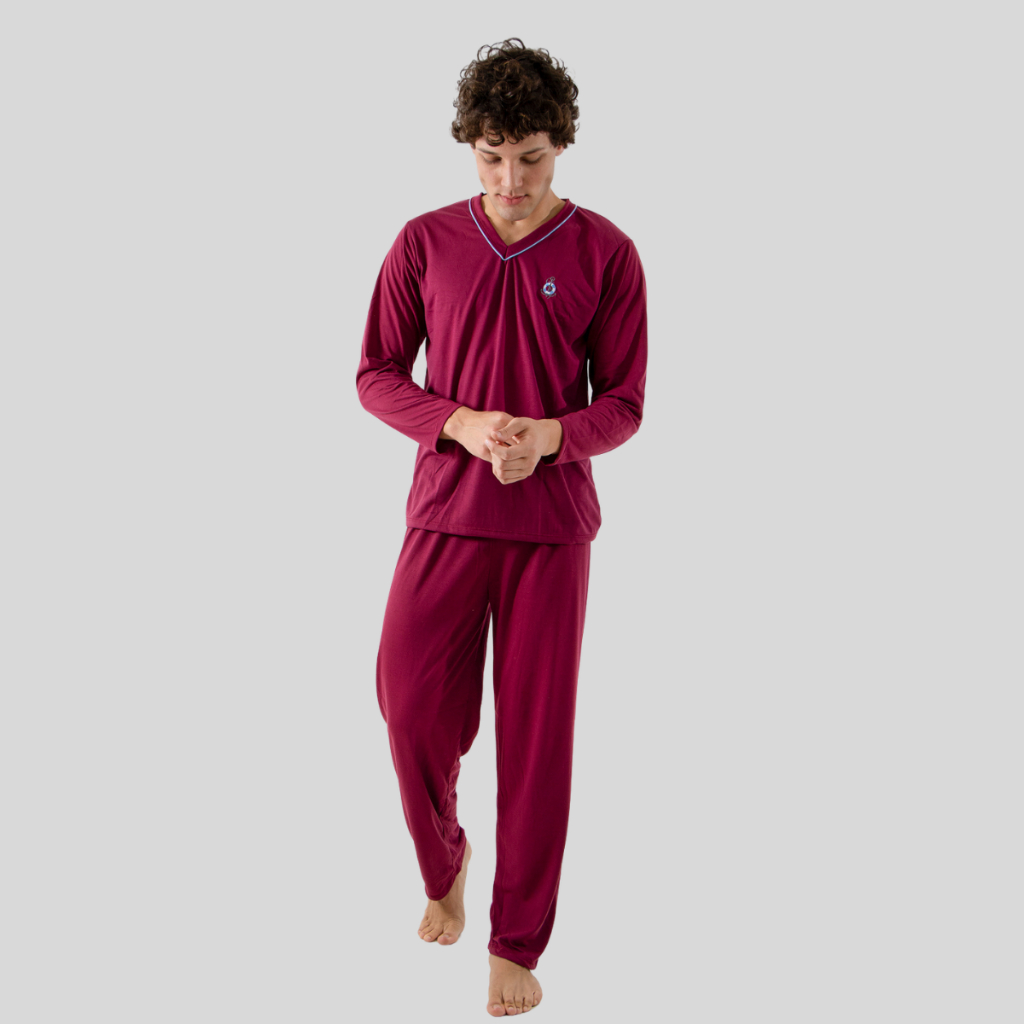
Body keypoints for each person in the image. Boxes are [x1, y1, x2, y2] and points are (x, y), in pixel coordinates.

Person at [355, 37, 648, 1017]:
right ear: (469, 147)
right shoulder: (422, 242)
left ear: (560, 145)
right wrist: (458, 421)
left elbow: (625, 402)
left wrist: (553, 437)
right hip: (444, 513)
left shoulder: (607, 252)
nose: (511, 180)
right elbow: (376, 374)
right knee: (406, 700)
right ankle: (445, 859)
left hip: (551, 531)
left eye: (530, 156)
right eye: (491, 157)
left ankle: (515, 941)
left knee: (535, 745)